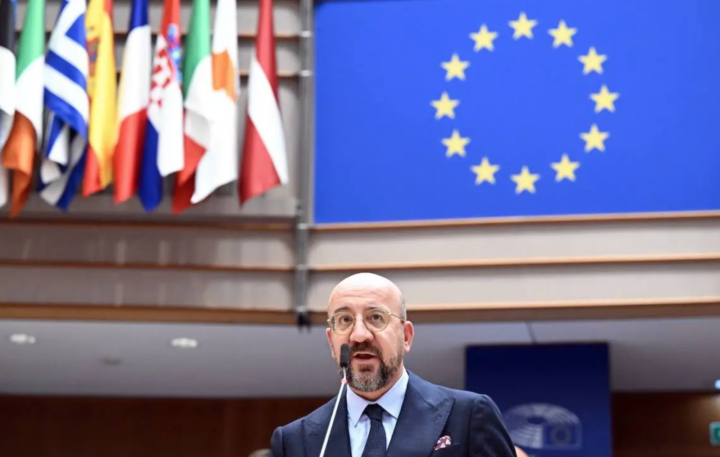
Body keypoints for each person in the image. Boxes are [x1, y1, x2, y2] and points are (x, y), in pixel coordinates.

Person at [270, 273, 517, 457]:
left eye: (376, 317)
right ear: (331, 342)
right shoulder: (295, 440)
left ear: (406, 336)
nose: (359, 334)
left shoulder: (468, 415)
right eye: (344, 320)